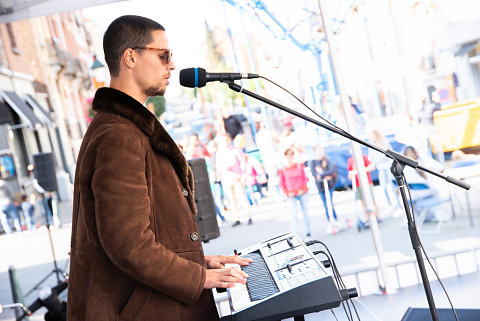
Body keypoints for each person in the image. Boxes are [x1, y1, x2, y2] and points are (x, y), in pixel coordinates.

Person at [67, 15, 251, 321]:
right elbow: (128, 243)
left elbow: (147, 233)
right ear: (130, 57)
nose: (172, 65)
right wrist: (198, 278)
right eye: (163, 55)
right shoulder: (118, 135)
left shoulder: (124, 128)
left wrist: (197, 263)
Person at [215, 134, 252, 226]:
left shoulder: (235, 150)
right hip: (226, 179)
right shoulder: (219, 153)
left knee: (242, 197)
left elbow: (243, 163)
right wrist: (224, 168)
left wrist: (243, 175)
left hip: (237, 178)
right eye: (222, 141)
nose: (225, 142)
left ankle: (248, 216)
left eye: (226, 140)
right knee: (232, 200)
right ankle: (237, 218)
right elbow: (218, 167)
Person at [278, 148, 311, 237]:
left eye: (291, 154)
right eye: (287, 154)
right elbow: (281, 183)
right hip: (291, 195)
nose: (289, 156)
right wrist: (287, 193)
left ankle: (308, 232)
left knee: (305, 213)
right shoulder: (283, 169)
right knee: (294, 215)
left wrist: (302, 189)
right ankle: (296, 234)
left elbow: (305, 179)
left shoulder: (299, 166)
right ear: (285, 156)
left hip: (302, 192)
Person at [368, 130, 400, 211]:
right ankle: (390, 205)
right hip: (381, 169)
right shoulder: (371, 144)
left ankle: (398, 205)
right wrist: (373, 162)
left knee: (393, 187)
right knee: (384, 187)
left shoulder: (383, 141)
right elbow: (370, 158)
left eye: (372, 135)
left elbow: (385, 155)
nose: (371, 137)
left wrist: (374, 162)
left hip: (388, 167)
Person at [310, 145, 339, 233]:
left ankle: (335, 221)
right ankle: (331, 222)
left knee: (329, 203)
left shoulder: (327, 160)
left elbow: (331, 171)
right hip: (320, 186)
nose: (319, 151)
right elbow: (313, 173)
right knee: (326, 204)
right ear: (314, 151)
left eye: (320, 149)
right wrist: (322, 176)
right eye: (317, 150)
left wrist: (322, 175)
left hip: (329, 185)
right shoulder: (313, 162)